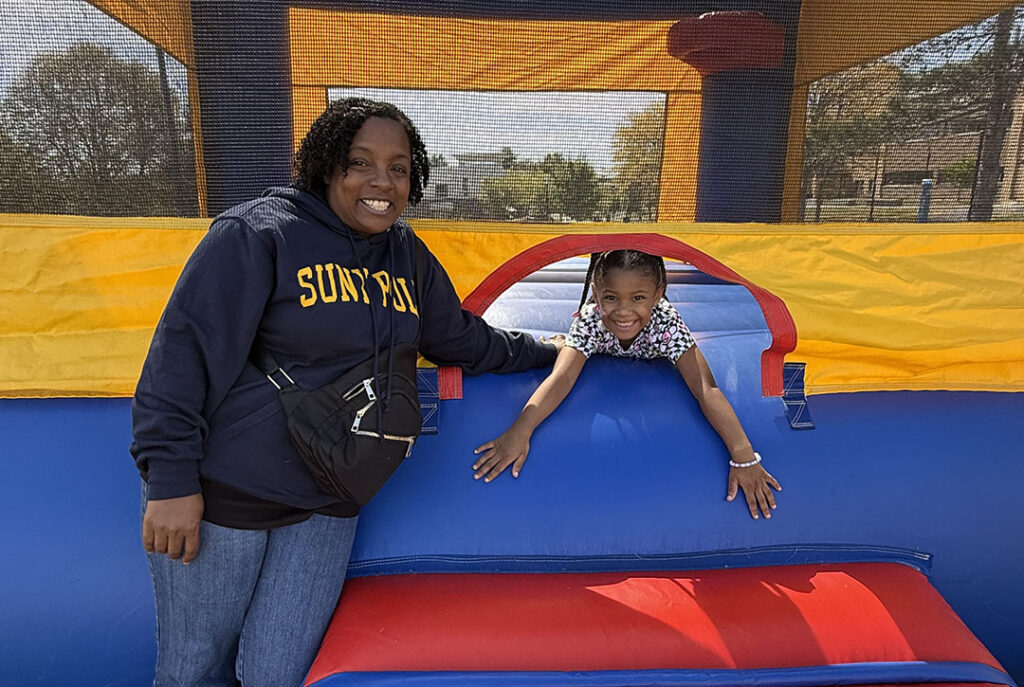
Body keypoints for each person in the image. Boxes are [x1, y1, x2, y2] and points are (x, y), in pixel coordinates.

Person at [130, 97, 560, 687]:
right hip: (231, 499)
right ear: (327, 166)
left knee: (275, 676)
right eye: (361, 163)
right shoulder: (258, 233)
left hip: (330, 503)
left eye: (399, 168)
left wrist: (561, 348)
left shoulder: (405, 254)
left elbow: (460, 340)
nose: (382, 182)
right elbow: (182, 359)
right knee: (193, 671)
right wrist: (171, 480)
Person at [472, 249, 782, 520]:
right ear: (596, 291)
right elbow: (562, 378)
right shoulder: (593, 320)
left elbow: (706, 388)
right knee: (561, 355)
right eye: (611, 297)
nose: (623, 311)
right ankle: (558, 344)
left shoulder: (666, 323)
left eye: (638, 298)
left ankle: (561, 343)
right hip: (590, 342)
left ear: (658, 292)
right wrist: (521, 429)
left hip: (653, 345)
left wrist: (743, 455)